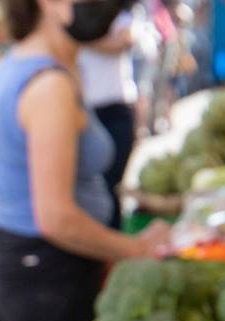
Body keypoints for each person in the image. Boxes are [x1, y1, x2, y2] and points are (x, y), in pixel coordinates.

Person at [0, 0, 169, 321]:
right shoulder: (49, 86)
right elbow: (56, 217)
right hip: (47, 276)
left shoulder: (39, 65)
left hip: (31, 268)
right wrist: (135, 249)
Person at [79, 4, 140, 226]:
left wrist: (83, 39)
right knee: (97, 189)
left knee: (110, 186)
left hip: (115, 110)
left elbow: (124, 42)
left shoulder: (119, 17)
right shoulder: (76, 20)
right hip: (89, 111)